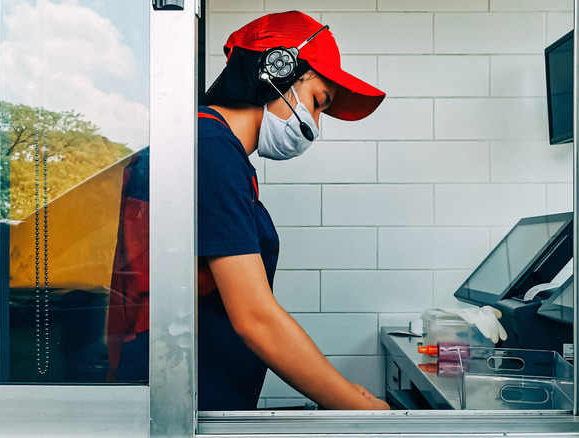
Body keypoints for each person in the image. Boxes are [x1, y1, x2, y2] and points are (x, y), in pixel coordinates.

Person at [107, 11, 388, 411]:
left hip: (200, 397)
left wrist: (342, 388)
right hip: (185, 402)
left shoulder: (214, 148)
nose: (316, 125)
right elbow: (254, 318)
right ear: (278, 68)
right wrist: (360, 410)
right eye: (318, 102)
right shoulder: (209, 150)